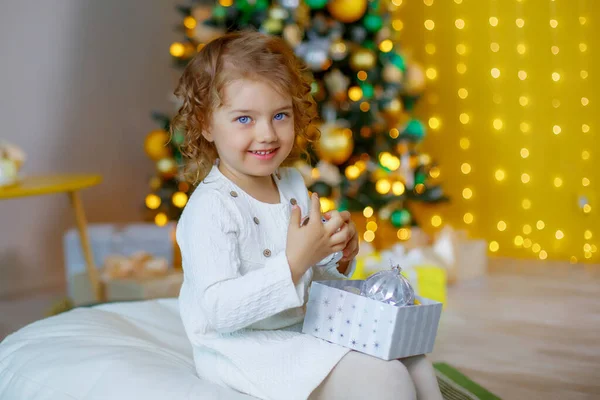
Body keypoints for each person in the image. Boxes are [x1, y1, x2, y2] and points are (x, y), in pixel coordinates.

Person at [174, 30, 443, 400]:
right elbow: (220, 311)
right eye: (244, 119)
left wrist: (337, 254)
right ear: (206, 124)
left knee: (412, 359)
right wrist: (295, 260)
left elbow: (315, 279)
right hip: (244, 348)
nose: (267, 133)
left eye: (280, 115)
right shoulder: (210, 208)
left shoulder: (291, 184)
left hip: (302, 326)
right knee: (385, 379)